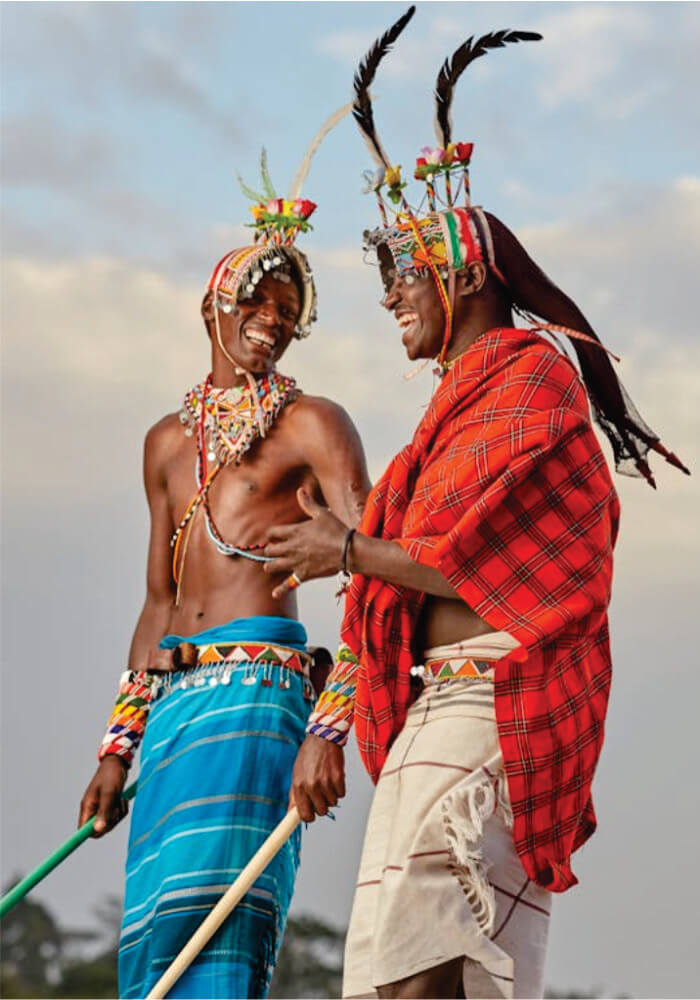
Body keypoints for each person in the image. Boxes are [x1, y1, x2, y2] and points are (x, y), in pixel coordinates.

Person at [260, 17, 689, 1000]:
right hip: (433, 705)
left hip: (498, 705)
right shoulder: (445, 419)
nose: (388, 299)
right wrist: (334, 713)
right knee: (412, 977)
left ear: (457, 272)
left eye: (398, 272)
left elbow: (511, 582)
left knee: (428, 976)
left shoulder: (532, 382)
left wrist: (355, 550)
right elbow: (409, 577)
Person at [78, 130, 370, 999]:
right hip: (171, 708)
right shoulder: (165, 444)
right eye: (259, 300)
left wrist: (330, 725)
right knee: (156, 931)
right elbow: (157, 602)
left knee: (223, 920)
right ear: (213, 304)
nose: (273, 319)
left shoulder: (315, 422)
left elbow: (376, 567)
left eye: (289, 309)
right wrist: (115, 749)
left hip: (258, 695)